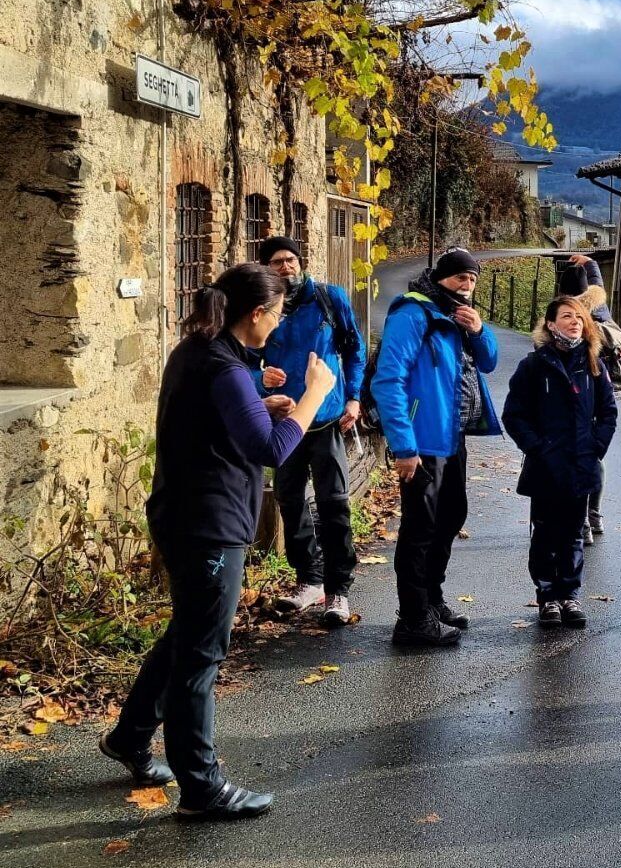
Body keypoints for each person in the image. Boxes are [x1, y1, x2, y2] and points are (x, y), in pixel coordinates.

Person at [100, 264, 335, 820]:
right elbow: (271, 451)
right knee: (201, 655)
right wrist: (311, 397)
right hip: (209, 523)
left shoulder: (197, 351)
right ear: (255, 314)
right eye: (275, 316)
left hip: (184, 514)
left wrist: (262, 406)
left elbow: (219, 420)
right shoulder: (224, 368)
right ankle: (202, 786)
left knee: (187, 633)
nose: (277, 327)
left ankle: (131, 736)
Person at [372, 248, 502, 647]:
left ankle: (431, 600)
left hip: (452, 437)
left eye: (472, 279)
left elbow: (490, 362)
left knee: (449, 517)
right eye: (460, 277)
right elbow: (387, 380)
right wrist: (404, 446)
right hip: (422, 441)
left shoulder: (458, 318)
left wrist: (480, 331)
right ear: (441, 278)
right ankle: (412, 618)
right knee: (420, 527)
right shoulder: (414, 313)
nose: (467, 285)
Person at [255, 235, 366, 626]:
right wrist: (260, 376)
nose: (285, 267)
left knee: (334, 503)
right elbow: (246, 358)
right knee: (289, 501)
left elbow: (354, 349)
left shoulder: (328, 298)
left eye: (289, 260)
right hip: (285, 424)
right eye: (276, 262)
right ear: (267, 269)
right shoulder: (262, 307)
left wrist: (353, 398)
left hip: (326, 420)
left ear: (300, 263)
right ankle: (309, 580)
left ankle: (339, 589)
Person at [502, 296, 618, 627]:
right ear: (551, 324)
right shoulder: (534, 366)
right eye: (567, 317)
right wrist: (537, 447)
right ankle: (547, 597)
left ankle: (570, 596)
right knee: (544, 534)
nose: (574, 322)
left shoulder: (594, 365)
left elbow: (608, 412)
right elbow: (514, 414)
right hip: (546, 466)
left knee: (572, 534)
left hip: (581, 463)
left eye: (579, 318)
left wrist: (596, 447)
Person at [558, 253, 621, 543]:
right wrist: (589, 264)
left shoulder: (579, 323)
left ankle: (582, 523)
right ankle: (595, 515)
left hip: (585, 399)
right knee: (596, 456)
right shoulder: (601, 311)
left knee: (580, 458)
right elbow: (597, 284)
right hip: (611, 395)